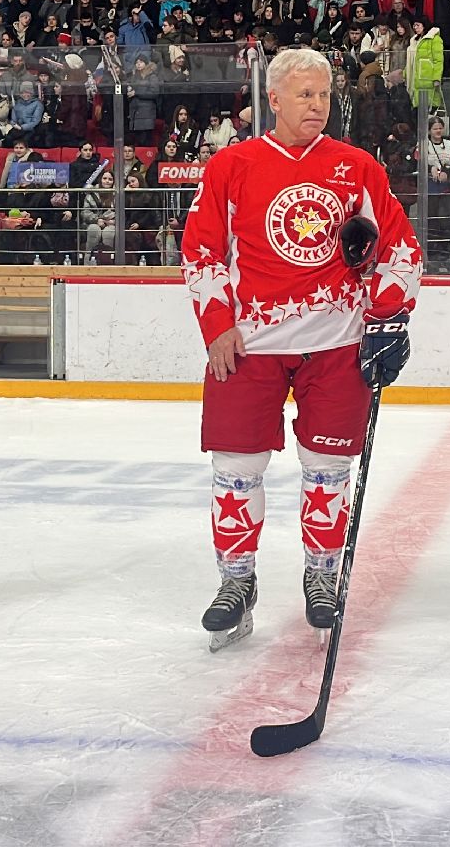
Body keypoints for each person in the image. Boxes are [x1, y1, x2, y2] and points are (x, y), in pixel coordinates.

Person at [179, 46, 423, 651]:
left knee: (327, 468)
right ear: (276, 99)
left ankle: (321, 575)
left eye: (325, 95)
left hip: (337, 343)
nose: (318, 105)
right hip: (248, 346)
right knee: (236, 470)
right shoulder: (232, 166)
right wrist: (217, 327)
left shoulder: (357, 167)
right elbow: (201, 252)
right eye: (306, 95)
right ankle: (237, 582)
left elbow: (402, 249)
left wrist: (388, 318)